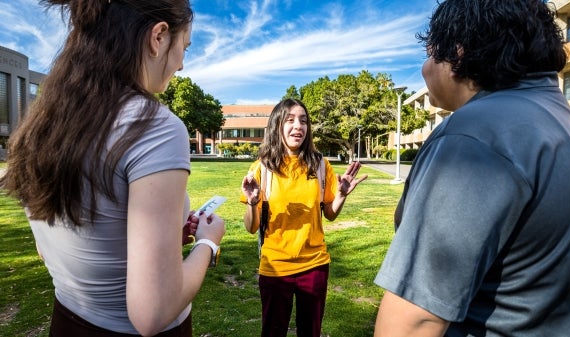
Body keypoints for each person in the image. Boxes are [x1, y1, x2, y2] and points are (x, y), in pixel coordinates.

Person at [374, 0, 570, 336]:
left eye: (430, 53)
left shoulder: (474, 135)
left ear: (458, 54)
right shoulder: (565, 124)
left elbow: (416, 319)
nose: (425, 67)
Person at [0, 0, 225, 336]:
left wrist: (159, 241)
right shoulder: (155, 128)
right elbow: (153, 313)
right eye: (185, 47)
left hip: (67, 320)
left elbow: (57, 248)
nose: (181, 65)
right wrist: (208, 242)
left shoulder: (49, 124)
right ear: (159, 36)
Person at [240, 98, 367, 337]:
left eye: (303, 121)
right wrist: (252, 202)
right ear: (277, 125)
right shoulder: (261, 168)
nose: (298, 126)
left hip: (315, 265)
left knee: (311, 332)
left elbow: (329, 214)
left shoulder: (320, 165)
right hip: (275, 268)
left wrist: (340, 195)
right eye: (290, 120)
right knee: (272, 331)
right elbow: (251, 227)